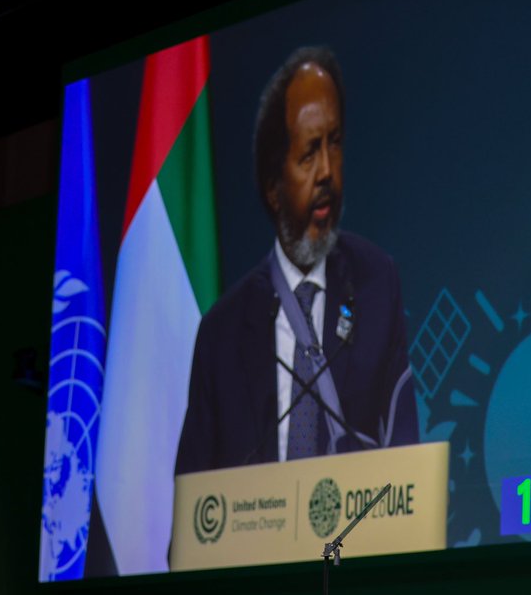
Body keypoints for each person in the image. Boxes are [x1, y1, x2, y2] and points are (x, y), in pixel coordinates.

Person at [176, 45, 418, 475]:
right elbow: (194, 500)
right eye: (309, 154)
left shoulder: (376, 285)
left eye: (334, 144)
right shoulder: (221, 336)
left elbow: (406, 464)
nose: (326, 171)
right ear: (273, 188)